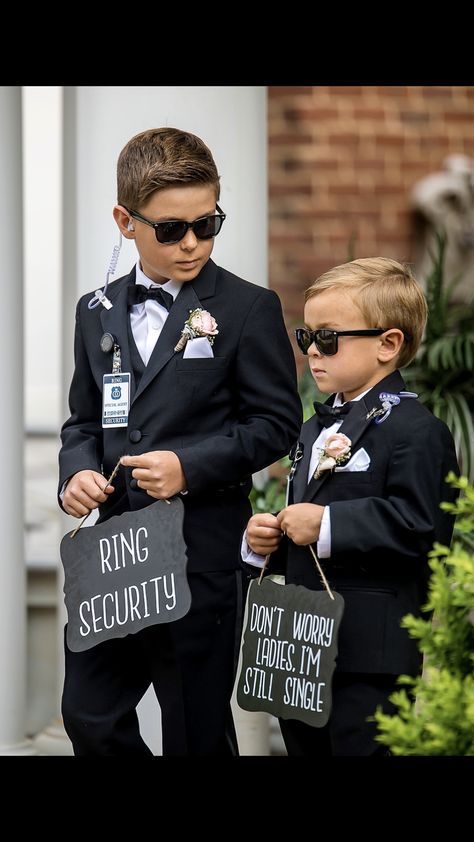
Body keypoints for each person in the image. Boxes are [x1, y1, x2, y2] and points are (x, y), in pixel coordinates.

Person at [58, 127, 302, 755]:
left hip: (201, 555)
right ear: (125, 220)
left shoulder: (249, 308)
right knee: (90, 714)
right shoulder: (95, 310)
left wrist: (188, 467)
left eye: (208, 223)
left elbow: (277, 425)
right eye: (171, 229)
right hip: (114, 553)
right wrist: (76, 473)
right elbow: (83, 422)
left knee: (195, 731)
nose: (193, 242)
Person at [244, 257, 459, 756]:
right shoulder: (313, 429)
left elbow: (423, 528)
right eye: (307, 338)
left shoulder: (417, 432)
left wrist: (327, 522)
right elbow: (308, 532)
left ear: (388, 344)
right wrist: (268, 543)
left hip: (371, 652)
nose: (313, 353)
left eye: (328, 338)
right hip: (301, 646)